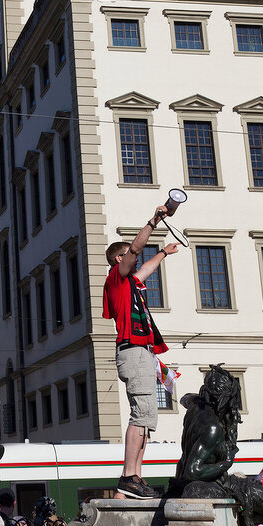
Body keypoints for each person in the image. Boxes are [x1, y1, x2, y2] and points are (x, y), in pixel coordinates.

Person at [103, 204, 178, 500]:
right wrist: (154, 220)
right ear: (120, 259)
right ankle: (128, 476)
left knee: (146, 418)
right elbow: (136, 249)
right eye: (130, 255)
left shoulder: (132, 283)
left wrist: (164, 253)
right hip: (133, 351)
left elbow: (146, 268)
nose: (136, 259)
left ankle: (134, 480)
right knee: (141, 415)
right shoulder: (117, 277)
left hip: (141, 352)